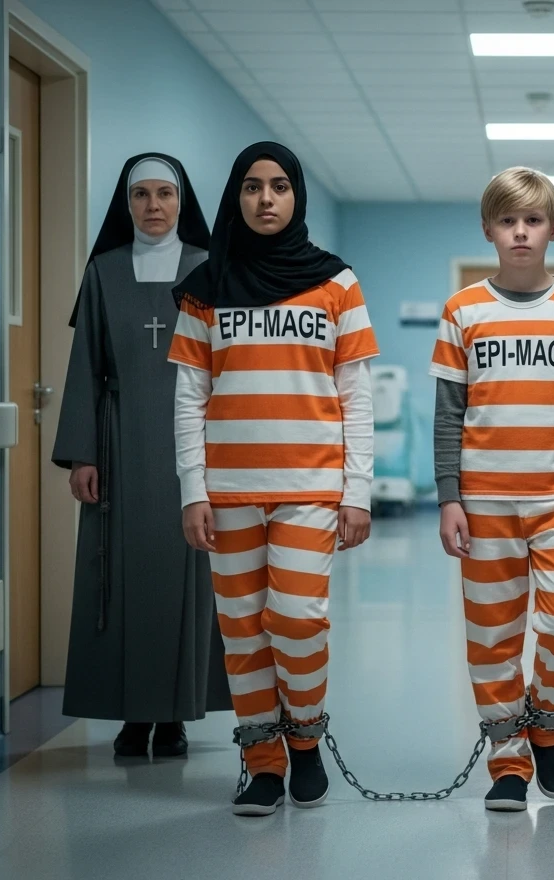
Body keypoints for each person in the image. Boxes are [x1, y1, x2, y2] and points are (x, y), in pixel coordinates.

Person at [167, 142, 378, 816]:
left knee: (295, 618)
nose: (265, 199)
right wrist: (192, 489)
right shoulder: (206, 284)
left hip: (310, 485)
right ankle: (261, 760)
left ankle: (306, 741)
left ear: (297, 198)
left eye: (280, 186)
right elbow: (189, 397)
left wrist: (358, 492)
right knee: (241, 629)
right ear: (236, 196)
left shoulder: (336, 281)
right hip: (228, 489)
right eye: (253, 187)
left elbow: (357, 395)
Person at [430, 167, 554, 813]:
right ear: (488, 229)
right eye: (508, 221)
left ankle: (547, 719)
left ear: (553, 229)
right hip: (483, 504)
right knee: (492, 636)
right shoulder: (463, 311)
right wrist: (449, 496)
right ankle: (507, 760)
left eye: (532, 220)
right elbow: (448, 412)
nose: (520, 232)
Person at [52, 153, 230, 759]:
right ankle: (132, 717)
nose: (154, 206)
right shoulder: (102, 272)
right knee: (121, 580)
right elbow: (86, 368)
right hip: (121, 444)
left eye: (165, 194)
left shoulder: (209, 268)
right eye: (141, 196)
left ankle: (176, 715)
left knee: (190, 579)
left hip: (197, 448)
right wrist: (82, 453)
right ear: (125, 204)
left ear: (183, 202)